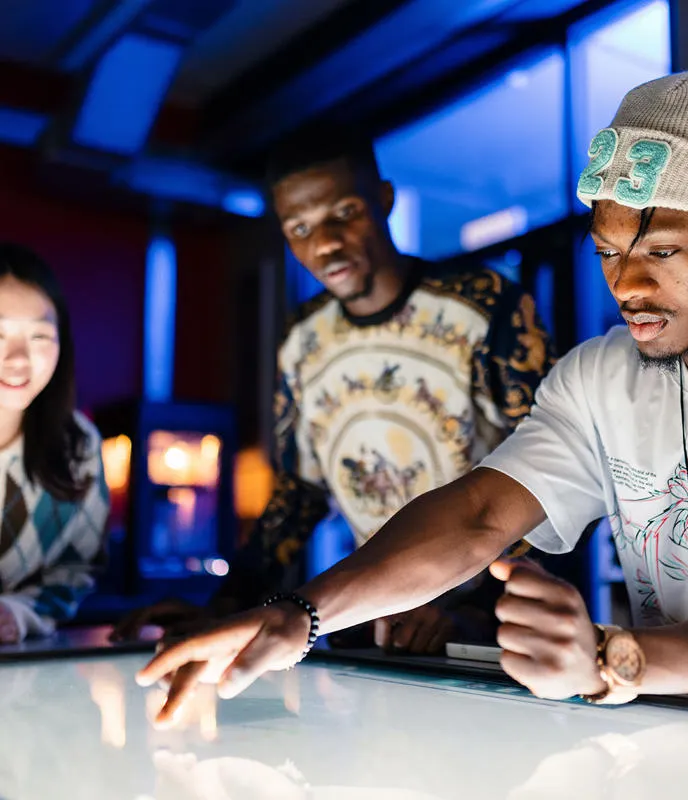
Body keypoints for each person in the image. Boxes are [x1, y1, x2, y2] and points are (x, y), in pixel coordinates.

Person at [138, 70, 688, 723]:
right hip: (674, 726)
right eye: (606, 251)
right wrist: (299, 615)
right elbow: (480, 512)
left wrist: (612, 659)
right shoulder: (598, 376)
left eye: (661, 249)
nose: (624, 283)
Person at [114, 130, 556, 654]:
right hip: (374, 610)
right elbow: (300, 493)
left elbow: (551, 471)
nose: (324, 244)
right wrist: (223, 606)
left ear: (384, 200)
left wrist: (470, 610)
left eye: (343, 213)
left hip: (492, 624)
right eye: (299, 228)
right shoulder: (301, 340)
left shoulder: (486, 304)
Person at [0, 243, 109, 643]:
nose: (17, 359)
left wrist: (18, 613)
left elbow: (77, 571)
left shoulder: (76, 446)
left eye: (39, 336)